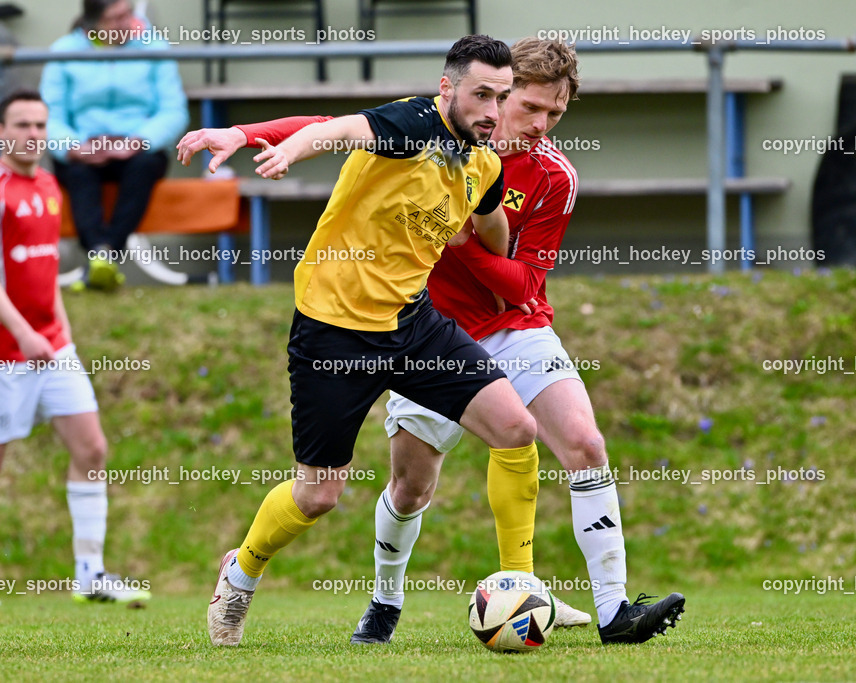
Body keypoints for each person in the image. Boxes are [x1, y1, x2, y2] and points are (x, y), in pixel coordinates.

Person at [180, 37, 686, 647]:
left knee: (525, 430)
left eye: (511, 102)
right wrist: (256, 137)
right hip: (334, 332)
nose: (507, 116)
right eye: (496, 98)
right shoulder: (414, 122)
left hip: (422, 325)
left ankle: (537, 595)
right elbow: (331, 127)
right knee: (321, 494)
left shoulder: (494, 163)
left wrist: (478, 239)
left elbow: (497, 222)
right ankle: (243, 572)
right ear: (450, 89)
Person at [0, 89, 149, 607]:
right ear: (1, 132)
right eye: (22, 125)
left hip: (52, 347)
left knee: (93, 448)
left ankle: (91, 573)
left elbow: (45, 268)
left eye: (40, 125)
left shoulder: (51, 186)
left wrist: (60, 331)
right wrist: (22, 332)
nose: (33, 134)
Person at [40, 0, 188, 291]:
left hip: (138, 148)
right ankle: (99, 254)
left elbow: (174, 111)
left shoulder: (154, 48)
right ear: (93, 23)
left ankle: (104, 254)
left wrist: (138, 141)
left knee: (144, 166)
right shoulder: (63, 51)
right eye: (115, 18)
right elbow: (49, 114)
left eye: (128, 14)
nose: (127, 23)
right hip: (83, 147)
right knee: (78, 173)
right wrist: (74, 146)